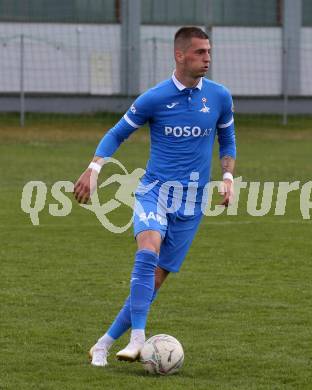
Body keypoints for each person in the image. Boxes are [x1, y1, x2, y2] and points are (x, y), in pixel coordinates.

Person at [73, 26, 236, 367]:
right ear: (180, 55)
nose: (207, 58)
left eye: (209, 52)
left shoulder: (220, 96)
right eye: (200, 52)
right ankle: (138, 338)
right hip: (154, 191)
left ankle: (102, 344)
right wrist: (94, 168)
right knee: (147, 251)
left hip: (191, 202)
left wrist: (227, 176)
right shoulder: (154, 98)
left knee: (156, 280)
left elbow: (228, 139)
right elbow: (117, 133)